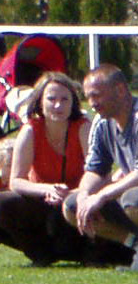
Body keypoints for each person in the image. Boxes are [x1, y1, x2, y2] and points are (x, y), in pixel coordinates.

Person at [62, 65, 138, 267]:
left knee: (135, 198)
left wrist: (101, 196)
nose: (92, 104)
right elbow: (95, 169)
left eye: (97, 96)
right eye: (88, 97)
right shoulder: (102, 123)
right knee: (72, 206)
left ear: (120, 90)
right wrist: (84, 195)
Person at [0, 73, 97, 266]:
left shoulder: (83, 129)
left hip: (77, 203)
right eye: (51, 99)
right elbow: (16, 181)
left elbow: (98, 174)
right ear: (40, 102)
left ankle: (87, 251)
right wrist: (48, 189)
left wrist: (70, 193)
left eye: (64, 99)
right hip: (40, 203)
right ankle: (40, 254)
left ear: (73, 103)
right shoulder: (30, 131)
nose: (58, 105)